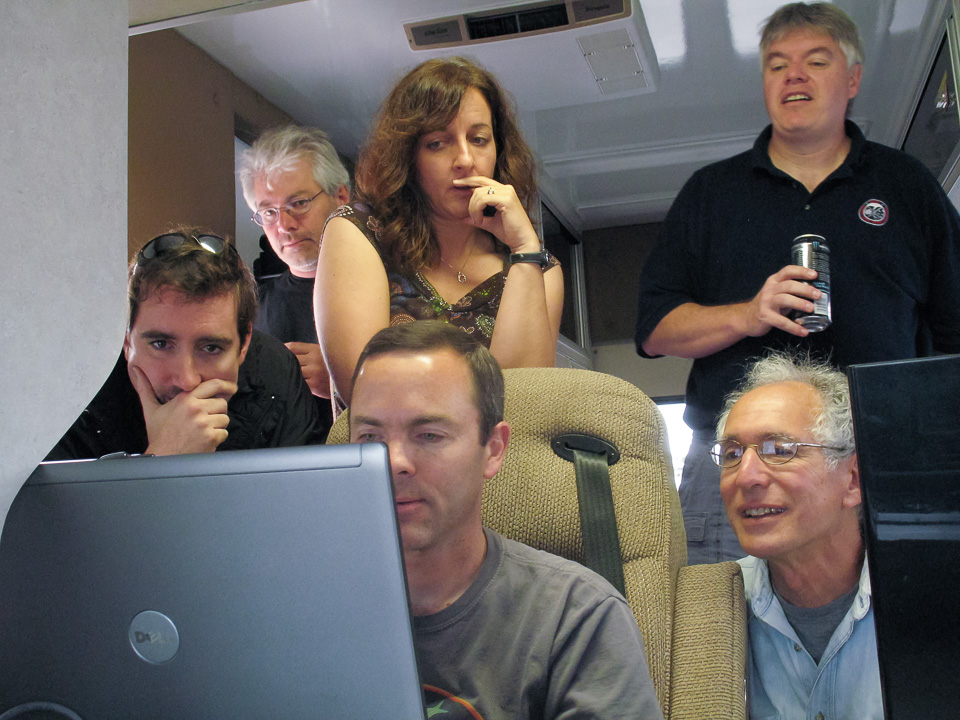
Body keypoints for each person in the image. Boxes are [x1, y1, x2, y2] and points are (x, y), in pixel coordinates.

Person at [635, 2, 960, 564]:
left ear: (853, 78)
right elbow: (653, 330)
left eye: (816, 60)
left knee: (899, 630)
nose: (795, 76)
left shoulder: (908, 186)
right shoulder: (711, 194)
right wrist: (748, 313)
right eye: (777, 64)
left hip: (883, 454)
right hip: (735, 462)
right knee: (717, 638)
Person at [348, 320, 664, 720]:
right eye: (370, 438)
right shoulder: (309, 606)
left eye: (429, 435)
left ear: (494, 449)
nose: (393, 462)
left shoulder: (576, 615)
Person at [317, 56, 564, 406]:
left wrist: (524, 247)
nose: (464, 159)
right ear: (409, 157)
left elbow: (523, 403)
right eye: (438, 143)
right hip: (383, 457)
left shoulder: (540, 268)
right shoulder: (359, 232)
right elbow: (365, 393)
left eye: (479, 139)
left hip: (498, 461)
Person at [47, 229, 324, 460]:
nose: (187, 380)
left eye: (211, 348)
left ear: (244, 345)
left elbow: (301, 514)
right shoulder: (76, 392)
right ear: (126, 340)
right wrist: (162, 459)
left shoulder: (276, 371)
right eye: (160, 344)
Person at [713, 353, 880, 719]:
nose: (746, 476)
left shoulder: (932, 599)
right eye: (732, 453)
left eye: (779, 450)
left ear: (853, 479)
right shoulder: (709, 610)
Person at [238, 125, 352, 433]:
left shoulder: (396, 287)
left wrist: (346, 385)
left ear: (341, 196)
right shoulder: (249, 308)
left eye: (299, 203)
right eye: (269, 213)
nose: (285, 225)